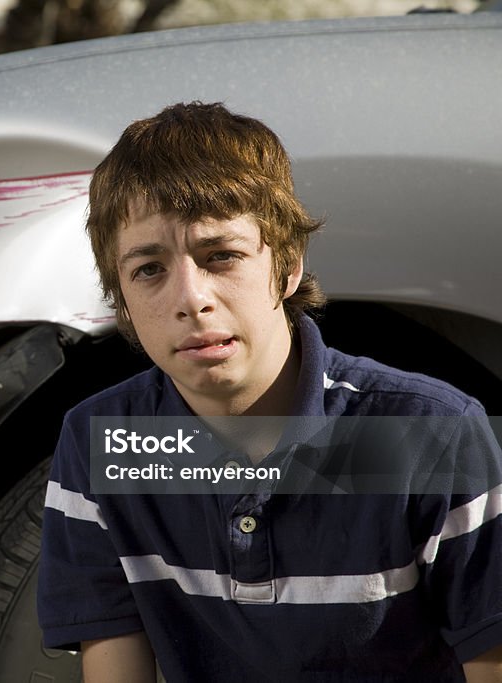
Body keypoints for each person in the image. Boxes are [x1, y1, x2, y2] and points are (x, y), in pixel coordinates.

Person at [36, 102, 502, 682]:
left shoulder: (431, 432)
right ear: (122, 298)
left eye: (221, 256)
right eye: (149, 269)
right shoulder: (106, 441)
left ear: (286, 265)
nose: (191, 298)